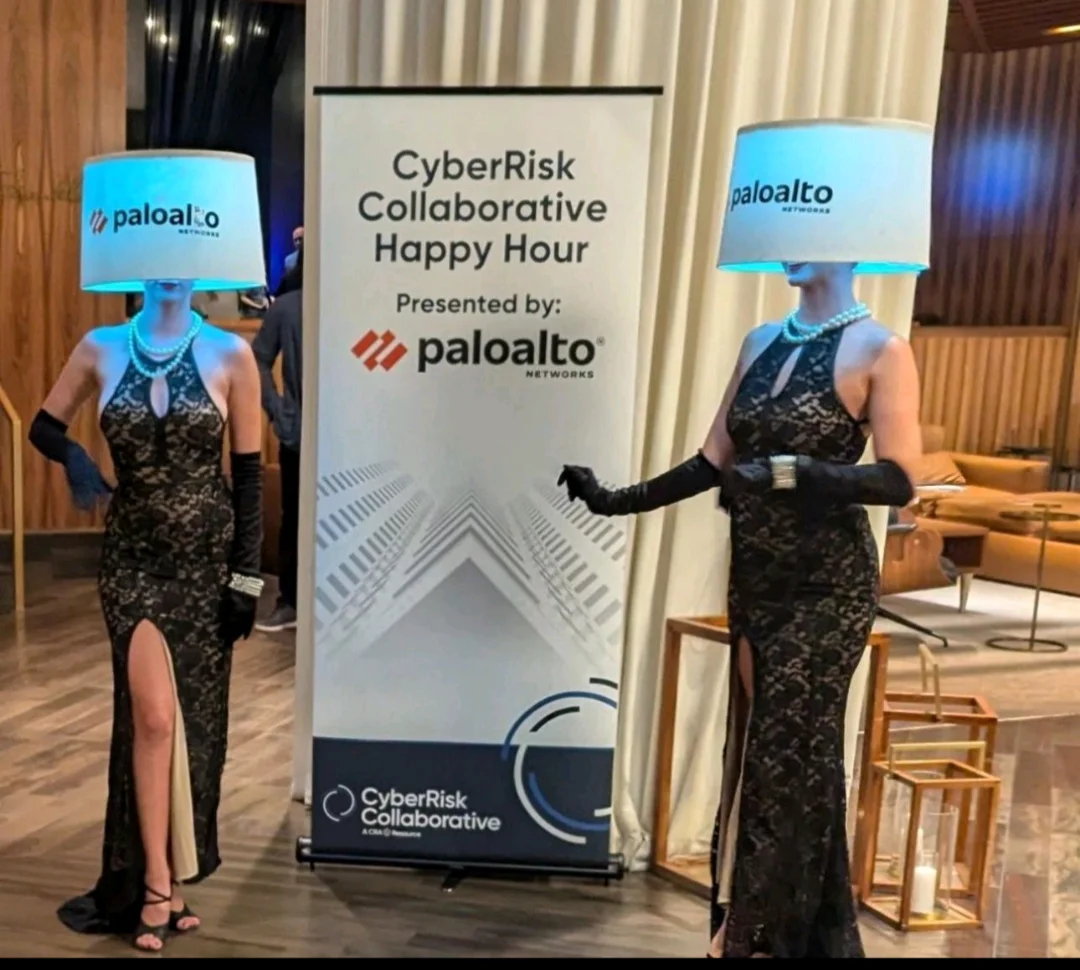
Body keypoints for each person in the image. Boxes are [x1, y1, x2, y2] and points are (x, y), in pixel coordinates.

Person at [558, 261, 921, 958]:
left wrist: (793, 472)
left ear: (850, 244)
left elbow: (899, 479)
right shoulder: (760, 341)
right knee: (783, 759)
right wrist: (612, 500)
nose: (791, 247)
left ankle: (746, 939)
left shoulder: (882, 349)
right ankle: (814, 939)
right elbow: (712, 462)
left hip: (827, 587)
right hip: (757, 579)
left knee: (788, 759)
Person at [30, 278, 265, 952]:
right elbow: (44, 425)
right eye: (156, 256)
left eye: (182, 259)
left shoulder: (230, 354)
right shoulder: (100, 346)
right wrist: (75, 455)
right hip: (131, 561)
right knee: (153, 719)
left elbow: (248, 476)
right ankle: (155, 882)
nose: (169, 270)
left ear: (199, 267)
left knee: (195, 726)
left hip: (206, 563)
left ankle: (176, 874)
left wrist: (246, 578)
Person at [253, 247, 303, 632]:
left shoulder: (363, 302)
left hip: (355, 431)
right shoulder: (286, 307)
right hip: (299, 433)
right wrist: (278, 410)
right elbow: (258, 359)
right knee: (295, 516)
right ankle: (290, 600)